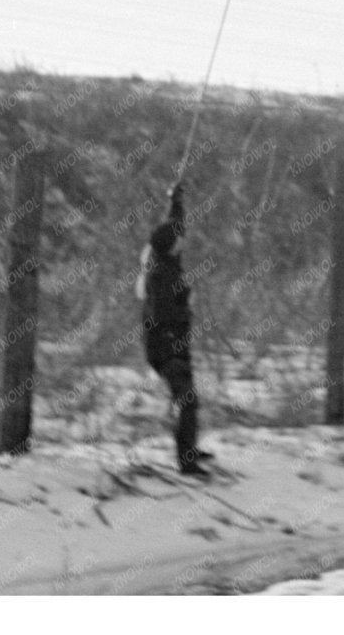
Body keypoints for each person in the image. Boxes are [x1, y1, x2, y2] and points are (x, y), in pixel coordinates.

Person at [138, 182, 209, 475]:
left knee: (189, 400)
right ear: (170, 246)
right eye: (178, 240)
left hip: (177, 343)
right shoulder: (160, 277)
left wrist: (176, 199)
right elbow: (162, 314)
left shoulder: (167, 256)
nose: (183, 241)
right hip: (165, 348)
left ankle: (189, 449)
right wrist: (186, 303)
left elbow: (174, 225)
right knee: (188, 401)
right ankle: (187, 463)